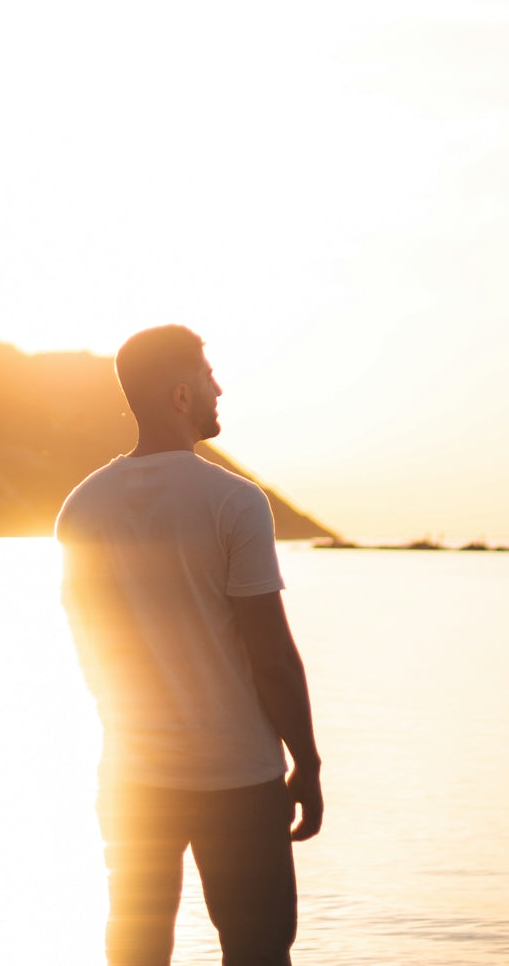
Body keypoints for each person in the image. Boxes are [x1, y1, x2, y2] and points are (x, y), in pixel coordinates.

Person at [55, 324, 323, 966]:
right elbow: (272, 657)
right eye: (208, 376)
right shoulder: (234, 503)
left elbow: (87, 648)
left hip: (131, 776)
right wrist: (307, 763)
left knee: (136, 948)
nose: (219, 388)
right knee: (257, 953)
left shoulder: (81, 508)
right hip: (236, 779)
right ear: (180, 395)